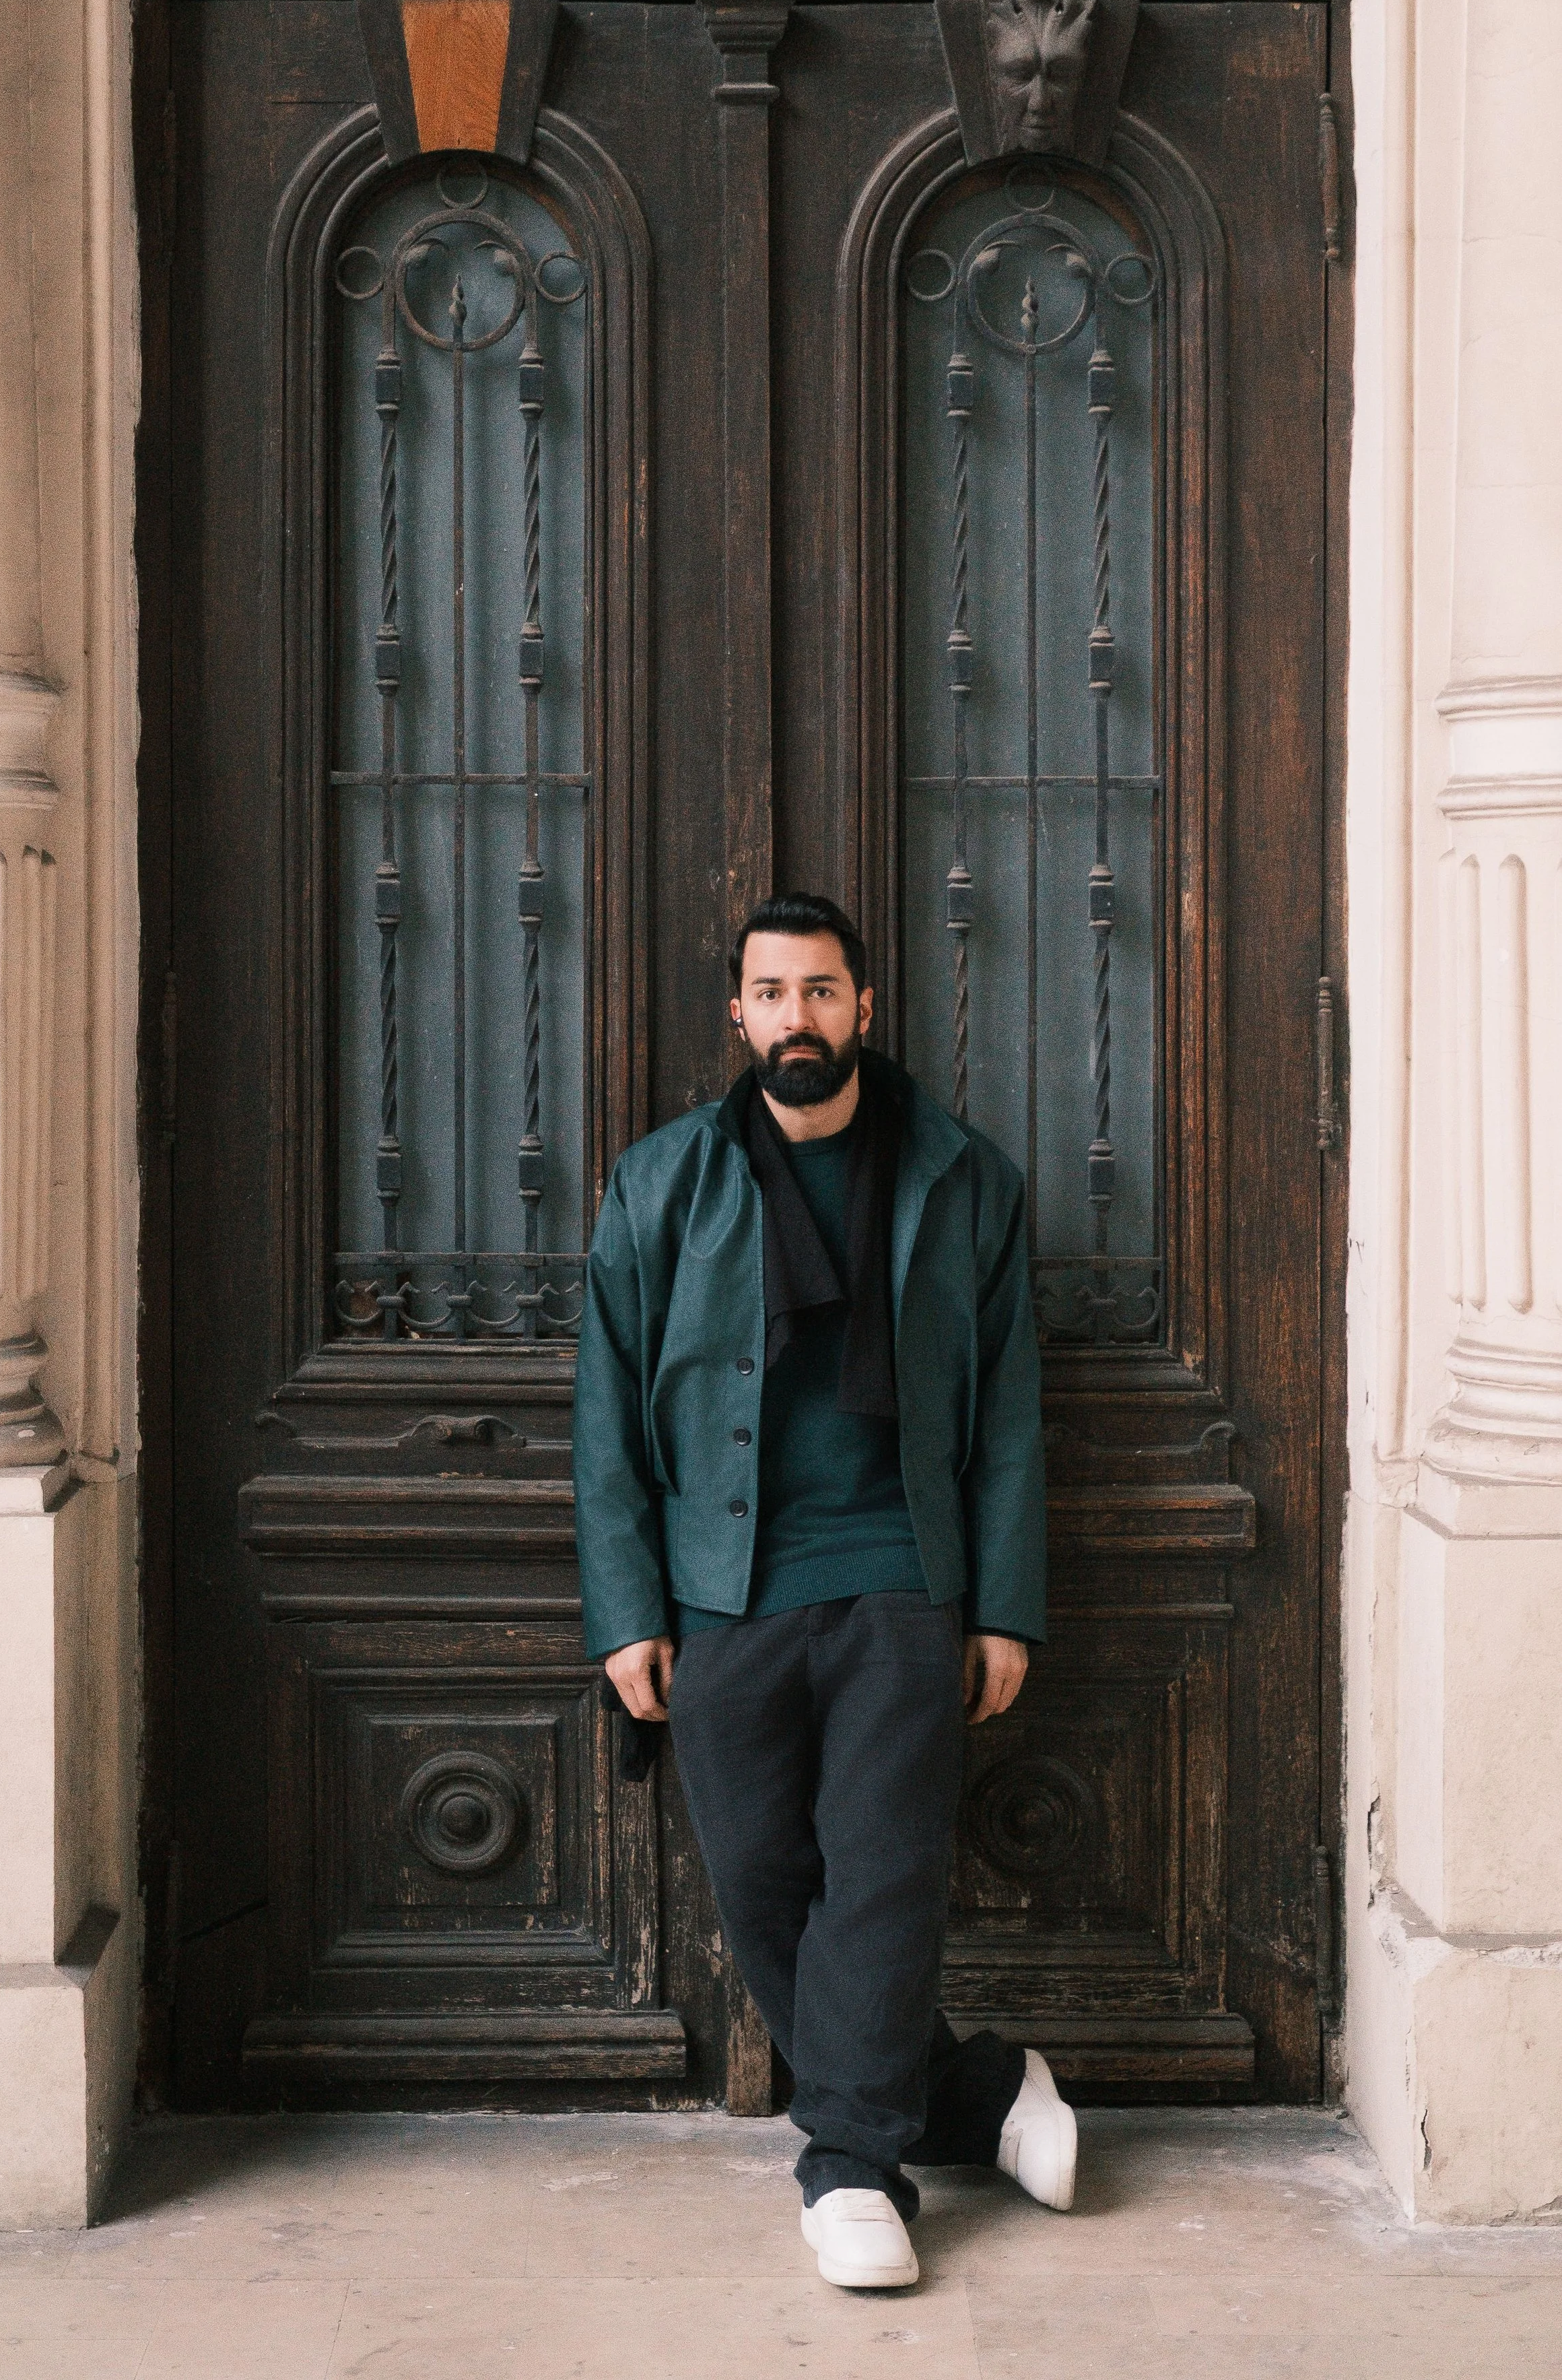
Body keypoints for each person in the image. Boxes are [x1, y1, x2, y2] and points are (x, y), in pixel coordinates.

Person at [573, 892, 1075, 2290]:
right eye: (771, 993)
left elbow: (1012, 1415)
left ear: (862, 1008)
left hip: (901, 1583)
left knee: (883, 1877)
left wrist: (1002, 1606)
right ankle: (976, 2093)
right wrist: (624, 1609)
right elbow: (605, 1412)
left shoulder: (960, 1179)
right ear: (737, 1015)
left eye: (822, 991)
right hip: (721, 1594)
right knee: (764, 1891)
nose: (797, 1017)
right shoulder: (659, 1182)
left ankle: (851, 2166)